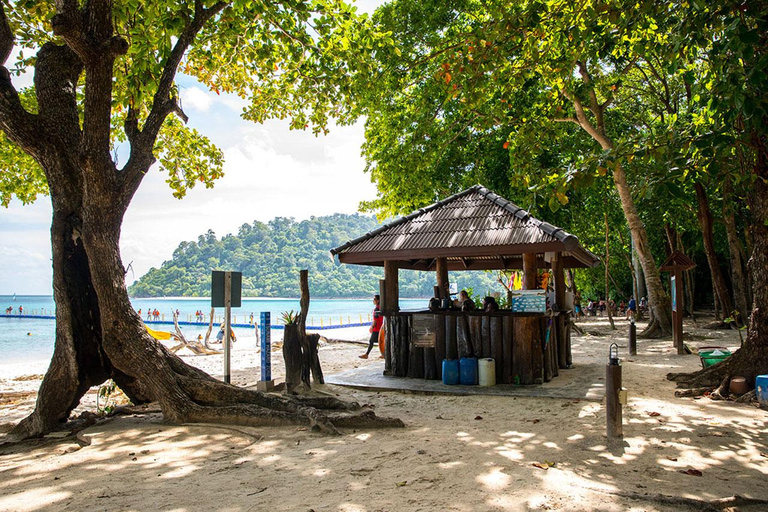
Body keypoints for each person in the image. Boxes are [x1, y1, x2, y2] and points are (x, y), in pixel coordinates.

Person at [359, 295, 383, 359]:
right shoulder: (381, 307)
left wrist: (372, 327)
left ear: (378, 301)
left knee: (372, 341)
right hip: (381, 327)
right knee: (380, 341)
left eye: (374, 299)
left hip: (377, 327)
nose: (373, 301)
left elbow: (376, 319)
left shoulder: (377, 309)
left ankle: (367, 354)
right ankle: (383, 353)